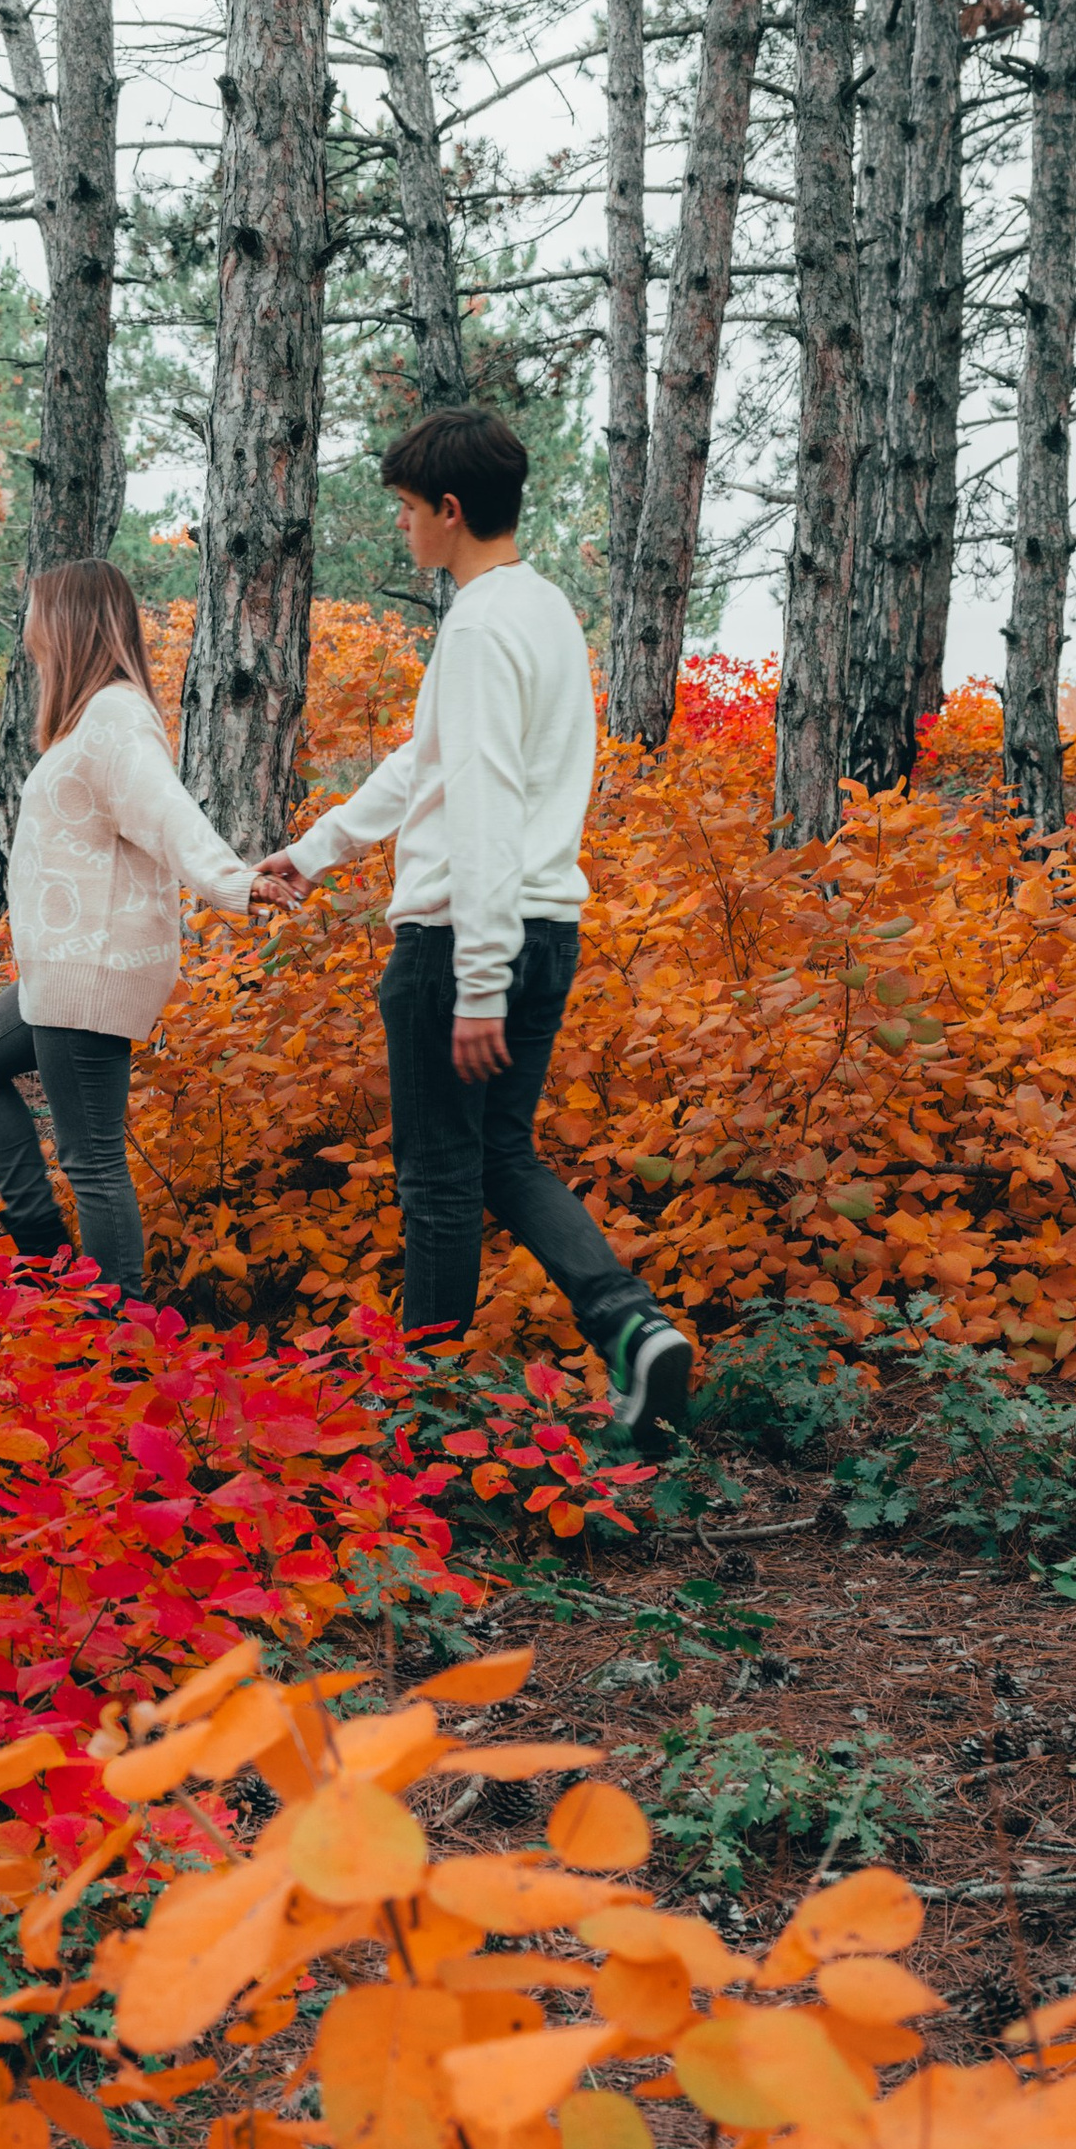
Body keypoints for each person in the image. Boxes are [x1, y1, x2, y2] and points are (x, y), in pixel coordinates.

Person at [255, 404, 694, 1440]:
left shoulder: (482, 625)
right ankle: (633, 1328)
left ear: (449, 511)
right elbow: (428, 765)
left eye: (407, 511)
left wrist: (479, 980)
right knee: (501, 1155)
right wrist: (314, 853)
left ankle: (427, 1417)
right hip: (543, 925)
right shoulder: (537, 611)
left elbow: (485, 799)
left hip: (465, 940)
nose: (401, 529)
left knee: (439, 1181)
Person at [0, 561, 292, 1299]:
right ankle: (45, 1257)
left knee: (92, 1157)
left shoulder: (114, 716)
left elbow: (166, 811)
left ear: (69, 622)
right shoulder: (92, 719)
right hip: (63, 966)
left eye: (37, 612)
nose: (30, 629)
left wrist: (232, 879)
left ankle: (121, 1336)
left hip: (93, 965)